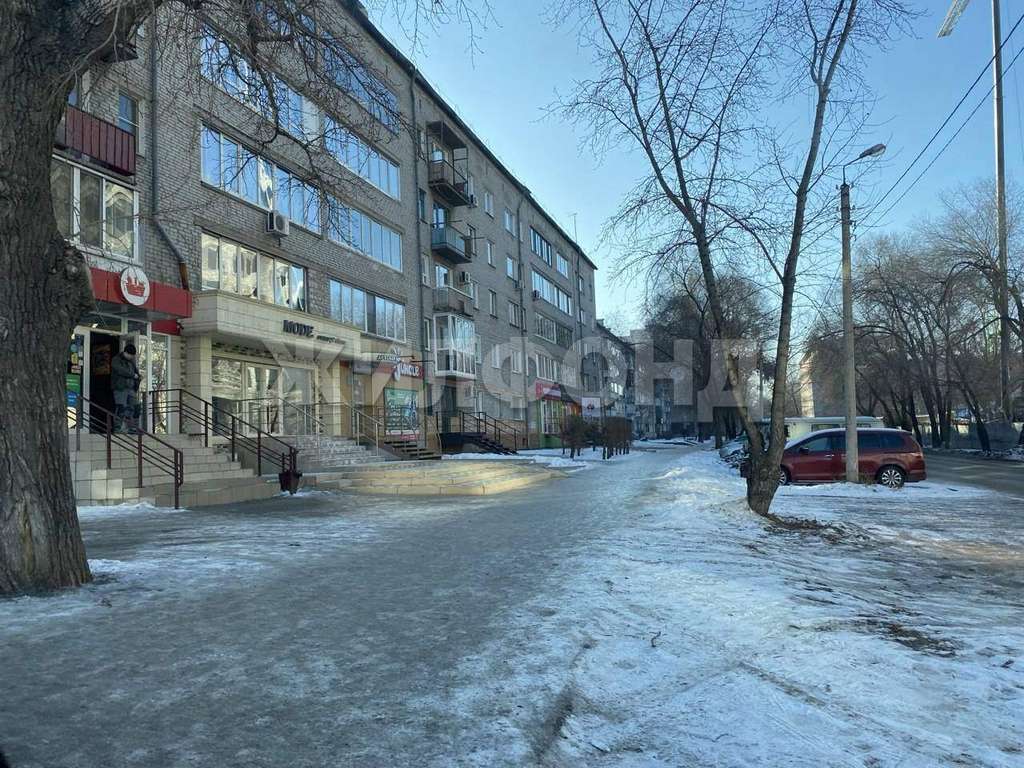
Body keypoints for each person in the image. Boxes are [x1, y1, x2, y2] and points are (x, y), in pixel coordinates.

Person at [111, 343, 142, 432]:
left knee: (136, 407)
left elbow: (136, 372)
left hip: (131, 388)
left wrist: (138, 377)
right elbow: (120, 370)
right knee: (121, 408)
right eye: (130, 355)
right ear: (125, 352)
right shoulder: (116, 359)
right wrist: (133, 375)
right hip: (120, 388)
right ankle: (117, 428)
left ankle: (133, 427)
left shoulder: (131, 361)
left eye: (132, 356)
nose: (131, 357)